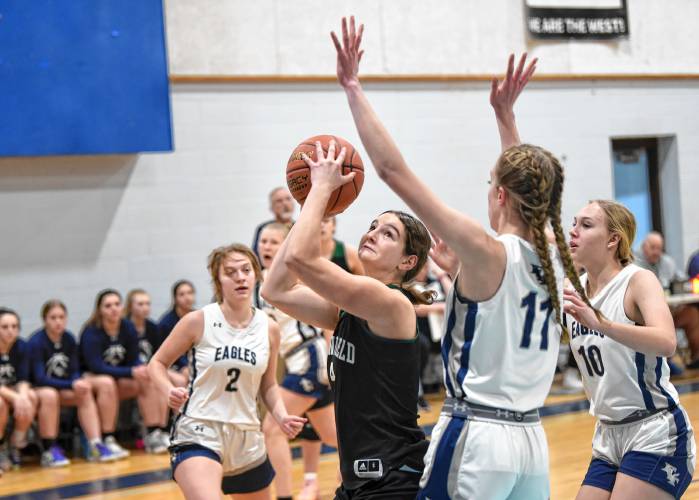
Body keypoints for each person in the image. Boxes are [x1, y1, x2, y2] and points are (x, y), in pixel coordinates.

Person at [332, 19, 583, 498]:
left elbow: (390, 170)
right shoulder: (549, 253)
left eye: (491, 184)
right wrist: (505, 119)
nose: (488, 193)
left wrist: (352, 87)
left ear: (502, 196)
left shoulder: (486, 250)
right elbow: (529, 186)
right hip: (531, 438)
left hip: (478, 436)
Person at [261, 143, 431, 497]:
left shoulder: (391, 304)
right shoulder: (347, 309)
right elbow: (275, 289)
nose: (372, 233)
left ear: (406, 263)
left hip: (394, 479)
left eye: (389, 234)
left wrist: (320, 191)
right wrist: (312, 202)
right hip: (356, 481)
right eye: (373, 226)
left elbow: (301, 259)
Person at [148, 243, 305, 500]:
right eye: (230, 272)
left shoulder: (269, 327)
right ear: (218, 281)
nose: (240, 277)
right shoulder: (198, 320)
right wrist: (168, 390)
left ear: (256, 275)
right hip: (200, 429)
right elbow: (156, 363)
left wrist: (281, 416)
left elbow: (268, 385)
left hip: (247, 435)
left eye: (245, 270)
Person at [564, 200, 696, 499]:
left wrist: (601, 323)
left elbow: (667, 342)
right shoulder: (572, 288)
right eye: (574, 223)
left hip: (654, 430)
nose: (573, 231)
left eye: (586, 225)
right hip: (608, 435)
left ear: (613, 240)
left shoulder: (637, 280)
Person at [256, 222, 339, 500]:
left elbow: (329, 318)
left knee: (273, 429)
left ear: (286, 247)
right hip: (298, 361)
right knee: (334, 437)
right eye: (263, 241)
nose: (266, 246)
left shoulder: (294, 275)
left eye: (273, 242)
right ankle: (368, 476)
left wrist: (332, 359)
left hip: (310, 358)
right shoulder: (262, 280)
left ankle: (283, 497)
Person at [28, 300, 117, 463]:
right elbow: (40, 378)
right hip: (39, 389)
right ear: (44, 320)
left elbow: (75, 369)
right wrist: (71, 384)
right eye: (53, 318)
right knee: (50, 395)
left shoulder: (68, 338)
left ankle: (95, 444)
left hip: (62, 387)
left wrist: (76, 381)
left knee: (84, 392)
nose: (58, 322)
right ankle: (49, 449)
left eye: (61, 317)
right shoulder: (36, 342)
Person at [80, 289, 166, 456]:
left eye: (116, 304)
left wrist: (139, 368)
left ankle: (153, 433)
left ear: (122, 307)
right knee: (107, 383)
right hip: (91, 377)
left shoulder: (127, 327)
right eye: (108, 306)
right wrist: (131, 371)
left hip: (118, 376)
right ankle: (108, 439)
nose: (113, 309)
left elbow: (133, 358)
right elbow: (96, 366)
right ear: (100, 310)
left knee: (146, 378)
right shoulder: (91, 331)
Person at [126, 289, 188, 440]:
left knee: (179, 380)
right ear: (130, 306)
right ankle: (154, 430)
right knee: (153, 381)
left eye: (147, 304)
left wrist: (181, 366)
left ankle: (178, 426)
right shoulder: (126, 327)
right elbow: (129, 357)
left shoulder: (152, 327)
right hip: (133, 370)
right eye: (140, 304)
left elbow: (160, 353)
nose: (145, 307)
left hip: (150, 366)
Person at [0, 308, 40, 470]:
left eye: (14, 326)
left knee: (31, 396)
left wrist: (22, 396)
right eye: (5, 327)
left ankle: (16, 444)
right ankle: (1, 446)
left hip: (11, 388)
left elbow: (24, 378)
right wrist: (16, 397)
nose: (11, 331)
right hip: (3, 393)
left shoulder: (22, 346)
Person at [158, 280, 196, 373]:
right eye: (182, 294)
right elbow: (168, 352)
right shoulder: (166, 323)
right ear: (175, 298)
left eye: (190, 293)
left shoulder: (198, 317)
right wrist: (185, 366)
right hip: (173, 363)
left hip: (194, 362)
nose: (187, 297)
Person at [252, 187, 296, 260]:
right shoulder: (264, 228)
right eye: (279, 201)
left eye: (288, 199)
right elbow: (257, 256)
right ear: (271, 207)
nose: (285, 203)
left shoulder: (300, 227)